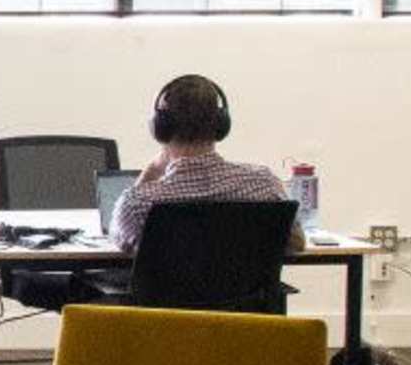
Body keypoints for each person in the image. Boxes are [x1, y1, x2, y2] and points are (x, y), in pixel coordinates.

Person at [113, 72, 288, 253]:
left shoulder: (138, 203)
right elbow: (295, 241)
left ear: (161, 127)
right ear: (221, 124)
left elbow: (122, 244)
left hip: (173, 282)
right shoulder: (264, 184)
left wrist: (152, 170)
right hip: (248, 282)